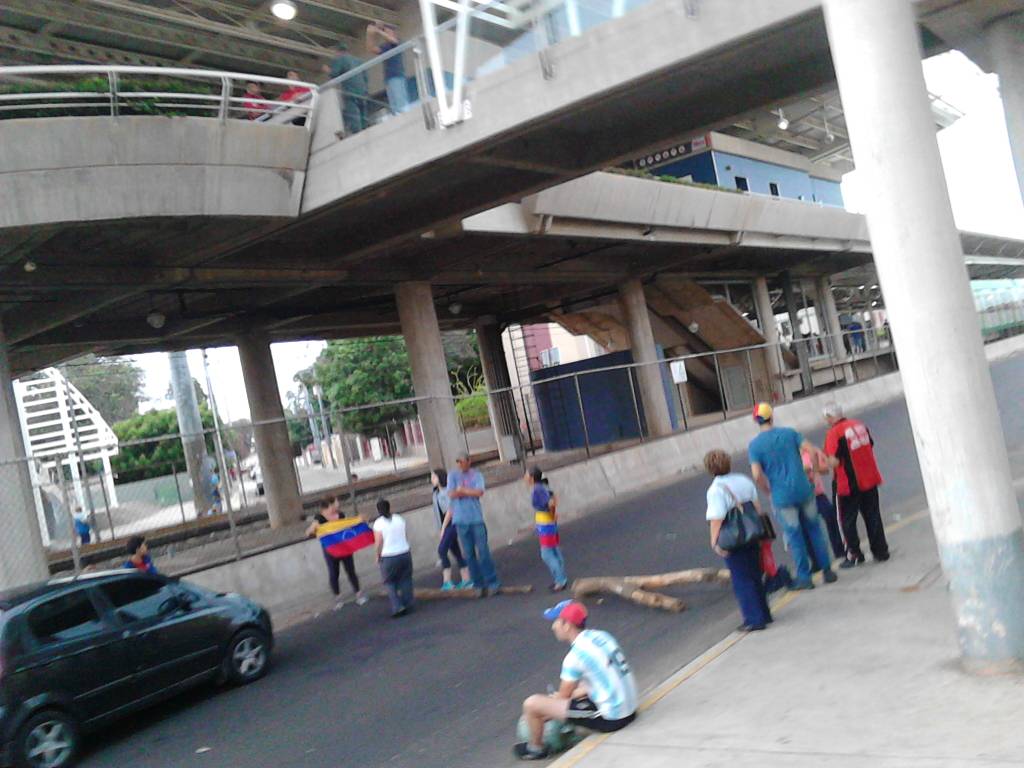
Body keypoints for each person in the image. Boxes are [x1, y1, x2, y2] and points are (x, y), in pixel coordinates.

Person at [515, 600, 637, 760]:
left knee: (532, 704)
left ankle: (536, 748)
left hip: (613, 718)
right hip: (629, 707)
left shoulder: (575, 657)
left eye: (556, 622)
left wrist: (550, 705)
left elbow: (564, 697)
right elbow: (591, 683)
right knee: (579, 687)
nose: (553, 627)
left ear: (567, 625)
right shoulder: (602, 635)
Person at [748, 402, 838, 590]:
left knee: (795, 536)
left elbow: (756, 474)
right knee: (815, 530)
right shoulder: (789, 433)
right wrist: (813, 471)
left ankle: (805, 578)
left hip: (782, 496)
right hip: (804, 489)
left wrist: (767, 490)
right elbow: (811, 450)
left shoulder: (755, 446)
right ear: (771, 416)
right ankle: (827, 570)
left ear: (756, 421)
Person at [703, 449, 772, 631]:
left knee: (742, 579)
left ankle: (753, 619)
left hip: (734, 538)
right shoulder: (743, 480)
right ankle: (764, 612)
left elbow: (717, 518)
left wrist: (714, 542)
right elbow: (757, 507)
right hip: (753, 532)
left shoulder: (716, 490)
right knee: (755, 575)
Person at [823, 403, 890, 567]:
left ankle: (854, 554)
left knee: (846, 520)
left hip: (848, 483)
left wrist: (821, 464)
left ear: (829, 417)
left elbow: (834, 460)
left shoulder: (834, 433)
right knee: (873, 516)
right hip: (869, 478)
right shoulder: (860, 425)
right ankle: (880, 551)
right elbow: (869, 445)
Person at [447, 451, 501, 596]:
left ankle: (492, 582)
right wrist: (467, 492)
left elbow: (479, 492)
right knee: (469, 554)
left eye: (462, 461)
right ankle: (478, 584)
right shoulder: (452, 475)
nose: (459, 464)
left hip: (476, 519)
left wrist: (463, 490)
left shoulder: (476, 475)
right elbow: (451, 494)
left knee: (483, 552)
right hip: (460, 520)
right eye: (458, 462)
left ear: (469, 461)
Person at [306, 497, 369, 608]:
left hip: (344, 547)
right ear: (330, 505)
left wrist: (359, 521)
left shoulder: (341, 515)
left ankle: (359, 594)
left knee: (351, 570)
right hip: (330, 550)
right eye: (336, 502)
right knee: (334, 573)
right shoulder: (319, 518)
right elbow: (308, 532)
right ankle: (338, 598)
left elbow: (348, 525)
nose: (338, 504)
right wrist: (314, 529)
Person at [525, 467, 568, 592]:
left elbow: (550, 504)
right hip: (549, 522)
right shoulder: (543, 487)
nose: (525, 478)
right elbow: (554, 499)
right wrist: (553, 516)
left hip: (545, 524)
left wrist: (551, 514)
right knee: (554, 550)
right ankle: (561, 578)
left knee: (547, 554)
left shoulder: (537, 490)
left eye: (527, 475)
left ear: (532, 478)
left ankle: (560, 580)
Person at [373, 498, 414, 618]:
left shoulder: (378, 523)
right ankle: (408, 602)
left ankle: (397, 606)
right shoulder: (399, 519)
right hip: (404, 552)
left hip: (388, 555)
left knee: (389, 582)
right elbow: (405, 535)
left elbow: (379, 541)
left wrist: (377, 555)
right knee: (406, 579)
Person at [803, 445, 845, 559]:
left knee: (831, 518)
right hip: (802, 497)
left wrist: (812, 468)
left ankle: (839, 550)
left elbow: (825, 469)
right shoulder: (789, 457)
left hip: (818, 494)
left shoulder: (812, 452)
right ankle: (815, 559)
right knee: (807, 528)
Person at [432, 468, 471, 590]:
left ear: (440, 478)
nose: (432, 479)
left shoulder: (447, 492)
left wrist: (443, 527)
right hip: (446, 525)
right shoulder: (436, 493)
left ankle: (447, 581)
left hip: (452, 524)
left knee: (442, 550)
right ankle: (467, 579)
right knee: (456, 551)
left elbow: (451, 509)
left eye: (434, 477)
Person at [326, 41, 369, 135]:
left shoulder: (340, 60)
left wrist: (328, 70)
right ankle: (366, 130)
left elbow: (334, 74)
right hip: (362, 91)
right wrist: (365, 89)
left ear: (338, 51)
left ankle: (357, 133)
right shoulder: (359, 60)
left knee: (353, 113)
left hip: (350, 91)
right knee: (363, 114)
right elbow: (366, 77)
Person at [366, 21, 409, 114]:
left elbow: (393, 40)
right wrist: (370, 35)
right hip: (388, 77)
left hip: (397, 75)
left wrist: (378, 31)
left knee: (400, 102)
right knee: (394, 104)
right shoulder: (386, 46)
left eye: (387, 31)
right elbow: (372, 49)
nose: (385, 34)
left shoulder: (397, 42)